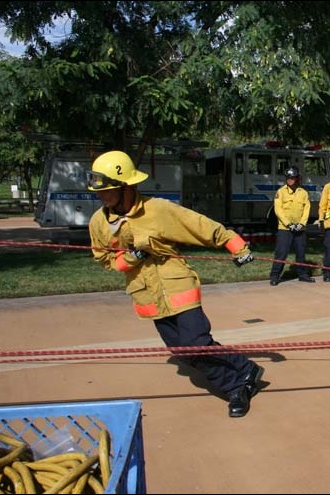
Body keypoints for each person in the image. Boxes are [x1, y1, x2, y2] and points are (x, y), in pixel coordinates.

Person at [86, 150, 264, 418]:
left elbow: (200, 226)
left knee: (197, 343)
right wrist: (131, 258)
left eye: (108, 190)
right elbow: (103, 258)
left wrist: (235, 245)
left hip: (178, 287)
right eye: (100, 191)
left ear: (127, 187)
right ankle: (245, 367)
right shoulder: (99, 223)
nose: (102, 196)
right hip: (148, 297)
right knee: (183, 352)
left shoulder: (158, 210)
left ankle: (236, 387)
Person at [269, 166, 315, 285]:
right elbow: (278, 210)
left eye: (292, 178)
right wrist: (288, 224)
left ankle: (302, 274)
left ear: (297, 178)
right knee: (281, 253)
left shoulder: (303, 193)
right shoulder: (281, 192)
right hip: (285, 229)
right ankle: (275, 276)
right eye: (288, 177)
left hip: (300, 228)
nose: (290, 180)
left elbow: (306, 209)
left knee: (301, 252)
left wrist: (302, 224)